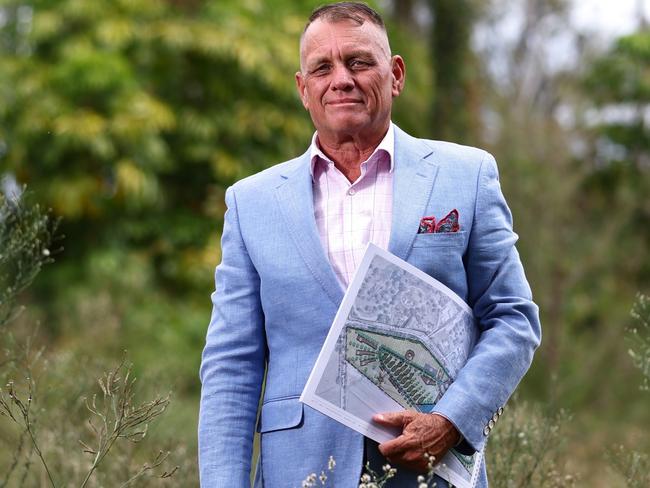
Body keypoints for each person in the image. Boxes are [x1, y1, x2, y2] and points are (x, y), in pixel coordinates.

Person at [198, 2, 541, 487]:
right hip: (298, 471)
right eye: (322, 67)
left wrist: (451, 421)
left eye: (359, 62)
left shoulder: (466, 176)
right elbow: (232, 367)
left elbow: (513, 319)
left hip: (431, 472)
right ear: (303, 89)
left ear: (395, 74)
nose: (341, 79)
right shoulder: (251, 203)